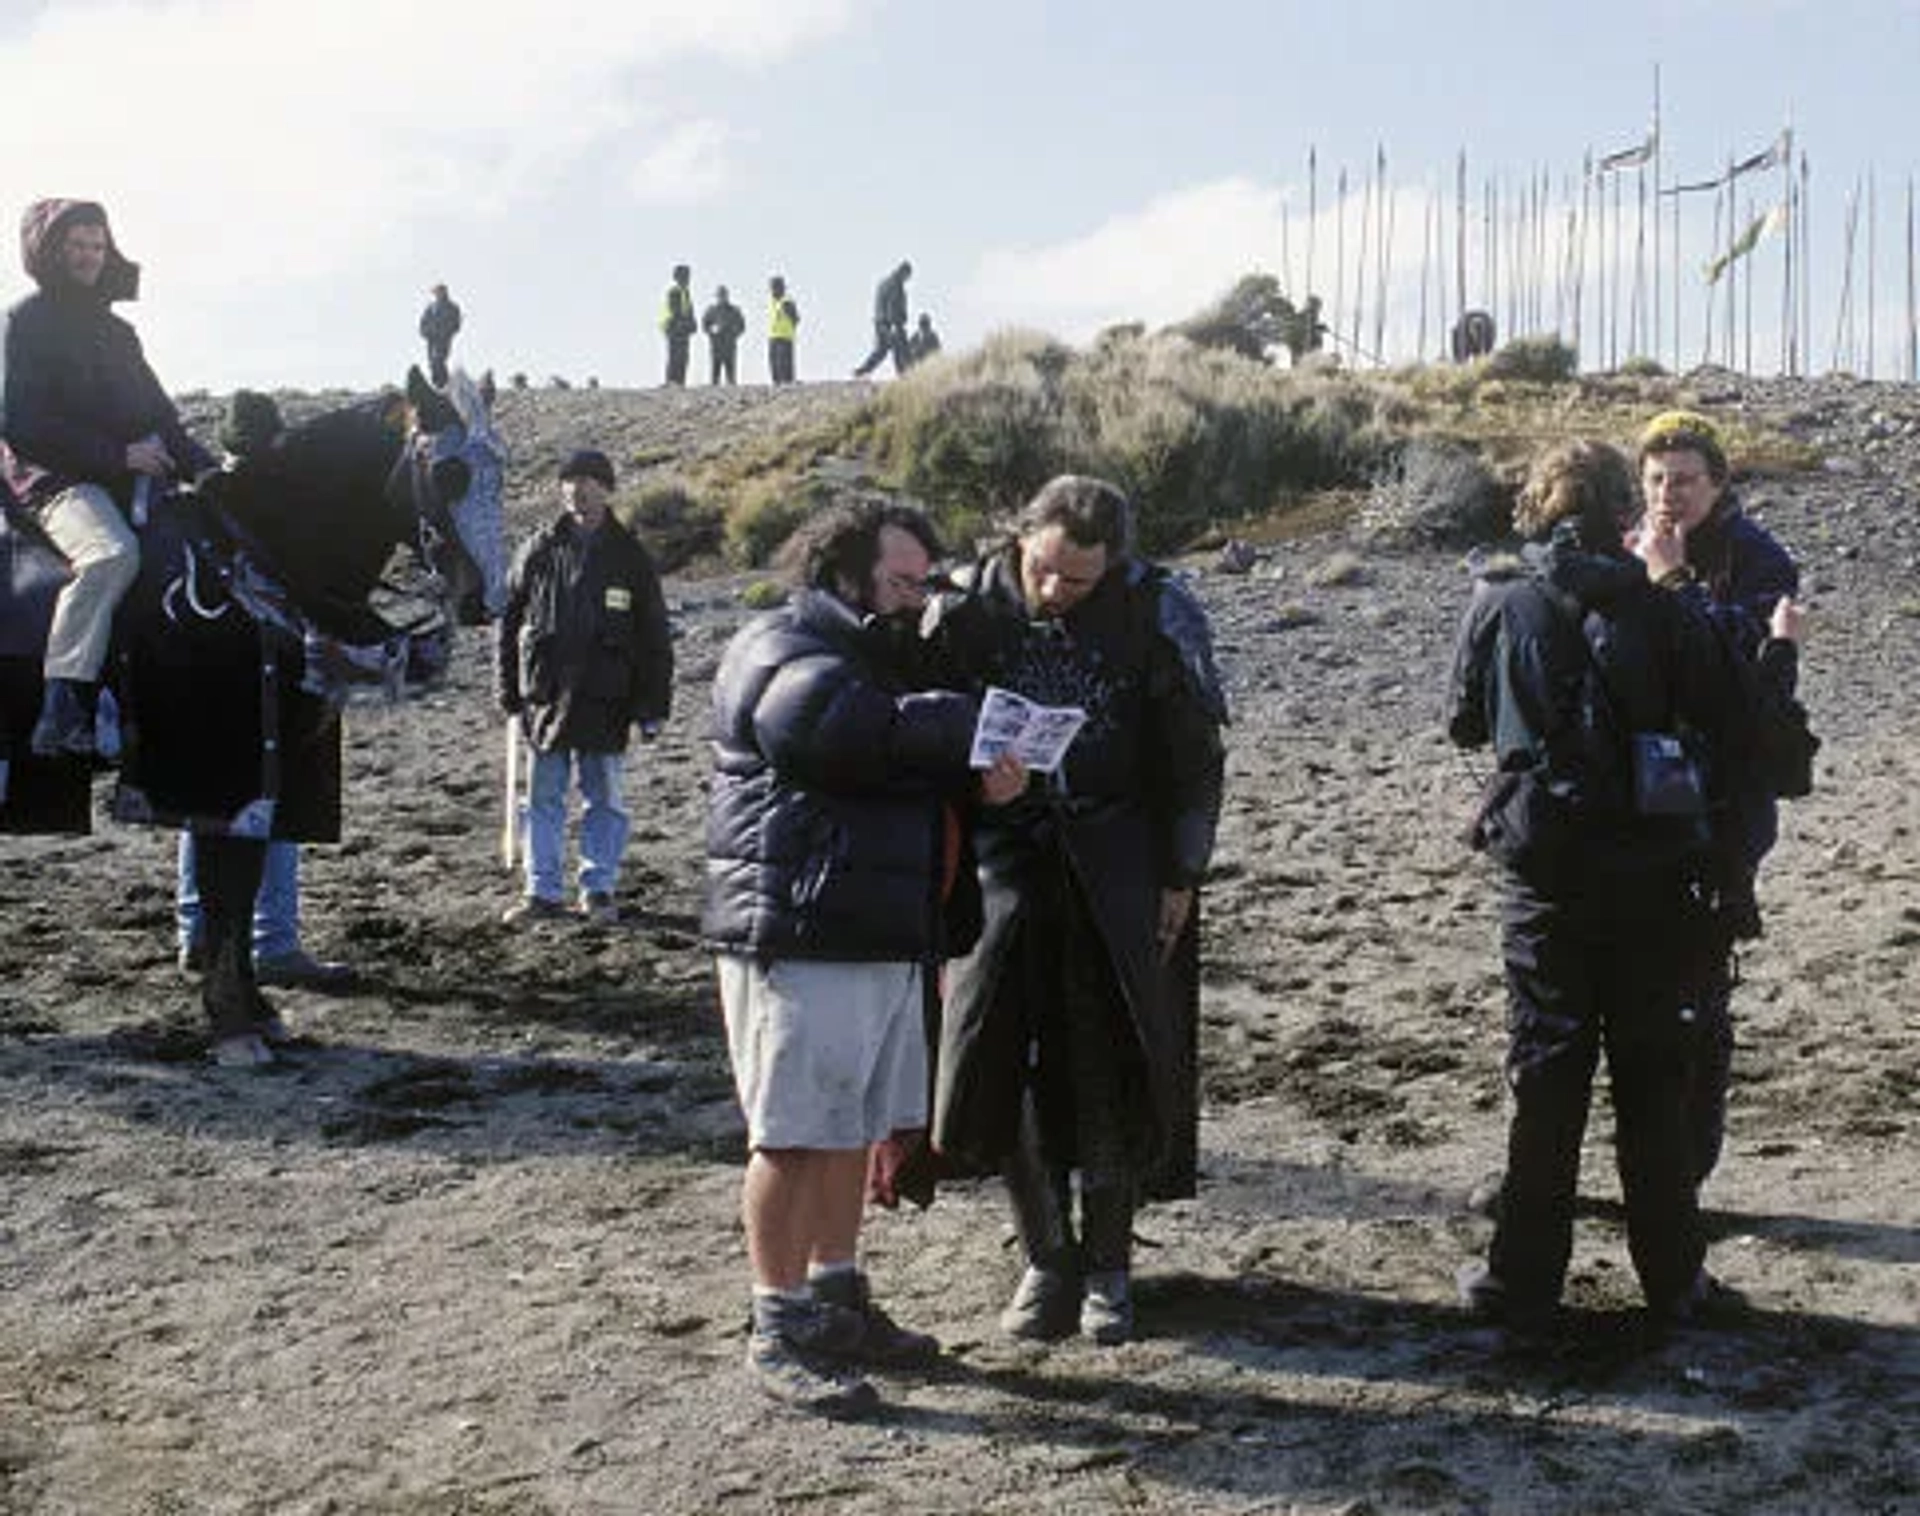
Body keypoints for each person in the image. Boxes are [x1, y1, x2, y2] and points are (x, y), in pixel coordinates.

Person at [1446, 440, 1790, 1338]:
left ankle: (1522, 1285)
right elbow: (1731, 715)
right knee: (1652, 1080)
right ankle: (1673, 1282)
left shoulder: (1501, 595)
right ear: (1619, 510)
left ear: (1535, 504)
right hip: (1652, 874)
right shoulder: (1666, 607)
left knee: (1546, 1078)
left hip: (1544, 873)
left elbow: (1464, 720)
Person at [703, 498, 1021, 1415]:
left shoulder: (884, 662)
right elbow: (830, 730)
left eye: (923, 582)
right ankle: (777, 1319)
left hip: (874, 926)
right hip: (800, 929)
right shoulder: (783, 644)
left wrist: (983, 769)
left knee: (850, 1126)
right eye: (900, 581)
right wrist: (969, 724)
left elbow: (894, 744)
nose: (917, 598)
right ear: (845, 571)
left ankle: (835, 1294)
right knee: (793, 1132)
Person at [928, 475, 1228, 1346]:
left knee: (1110, 1058)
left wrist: (1180, 875)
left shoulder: (1156, 612)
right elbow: (919, 731)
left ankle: (1108, 1268)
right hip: (1000, 862)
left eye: (1078, 580)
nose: (1054, 591)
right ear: (1020, 540)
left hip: (1116, 860)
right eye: (1043, 569)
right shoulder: (967, 613)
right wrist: (971, 783)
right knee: (1000, 1054)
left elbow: (1193, 757)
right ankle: (1045, 1256)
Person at [1630, 409, 1809, 1190]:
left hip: (1723, 804)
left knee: (1697, 995)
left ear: (1719, 483)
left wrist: (1669, 582)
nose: (1672, 494)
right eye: (1659, 479)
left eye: (1687, 480)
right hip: (1634, 796)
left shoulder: (1758, 558)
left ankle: (1687, 1171)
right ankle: (1638, 1163)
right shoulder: (1625, 541)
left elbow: (1753, 679)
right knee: (1628, 987)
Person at [1, 198, 214, 758]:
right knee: (110, 556)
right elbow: (20, 421)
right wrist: (118, 456)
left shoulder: (119, 334)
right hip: (49, 482)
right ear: (49, 252)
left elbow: (163, 420)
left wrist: (216, 474)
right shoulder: (24, 321)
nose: (89, 257)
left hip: (123, 475)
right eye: (75, 246)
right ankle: (63, 706)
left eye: (97, 245)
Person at [174, 391, 354, 990]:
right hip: (265, 679)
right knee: (272, 803)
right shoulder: (274, 506)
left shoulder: (196, 505)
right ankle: (267, 939)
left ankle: (200, 931)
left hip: (210, 679)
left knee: (205, 806)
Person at [497, 449, 672, 925]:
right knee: (542, 799)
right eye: (570, 480)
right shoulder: (537, 547)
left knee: (605, 800)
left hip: (606, 696)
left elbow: (654, 633)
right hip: (545, 696)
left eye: (590, 480)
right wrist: (508, 690)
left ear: (607, 488)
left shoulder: (629, 554)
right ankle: (543, 892)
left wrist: (653, 704)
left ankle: (598, 890)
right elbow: (510, 620)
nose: (578, 488)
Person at [852, 260, 912, 378]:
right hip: (890, 323)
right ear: (903, 272)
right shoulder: (895, 284)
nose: (907, 279)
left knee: (881, 351)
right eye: (908, 276)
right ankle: (904, 374)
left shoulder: (883, 283)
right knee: (900, 349)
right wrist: (894, 325)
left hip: (880, 322)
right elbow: (892, 305)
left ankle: (862, 371)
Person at [418, 282, 462, 387]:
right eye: (436, 292)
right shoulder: (431, 307)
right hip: (432, 339)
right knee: (432, 363)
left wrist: (445, 332)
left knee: (439, 360)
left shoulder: (452, 307)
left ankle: (444, 384)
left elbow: (456, 324)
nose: (438, 294)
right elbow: (423, 323)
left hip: (443, 339)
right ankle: (437, 384)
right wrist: (427, 332)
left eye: (440, 291)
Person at [701, 285, 746, 386]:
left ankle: (732, 393)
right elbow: (704, 326)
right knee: (715, 376)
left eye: (723, 295)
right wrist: (712, 330)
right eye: (719, 295)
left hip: (729, 346)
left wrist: (733, 333)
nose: (722, 298)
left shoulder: (734, 310)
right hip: (716, 346)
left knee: (731, 376)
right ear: (716, 297)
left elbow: (742, 327)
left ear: (727, 296)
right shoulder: (711, 310)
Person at [659, 265, 696, 386]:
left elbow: (688, 311)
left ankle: (680, 382)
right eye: (685, 276)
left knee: (683, 357)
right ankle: (672, 381)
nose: (687, 279)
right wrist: (686, 323)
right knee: (675, 356)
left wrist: (692, 324)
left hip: (682, 329)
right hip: (674, 328)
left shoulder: (685, 292)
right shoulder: (674, 292)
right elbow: (676, 311)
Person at [767, 275, 800, 384]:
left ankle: (787, 384)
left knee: (784, 365)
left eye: (774, 287)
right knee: (774, 365)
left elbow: (795, 319)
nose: (772, 290)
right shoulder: (772, 302)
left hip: (784, 338)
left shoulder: (787, 302)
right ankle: (776, 384)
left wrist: (790, 330)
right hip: (773, 337)